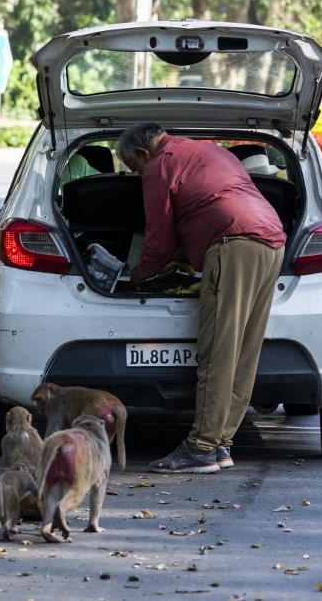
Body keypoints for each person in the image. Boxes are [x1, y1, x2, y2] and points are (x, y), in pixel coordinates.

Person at [116, 123, 286, 474]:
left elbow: (159, 240)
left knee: (218, 351)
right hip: (271, 242)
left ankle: (201, 447)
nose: (138, 175)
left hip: (233, 244)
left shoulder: (160, 165)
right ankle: (220, 442)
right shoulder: (209, 150)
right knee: (242, 351)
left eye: (135, 168)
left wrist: (139, 275)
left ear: (143, 154)